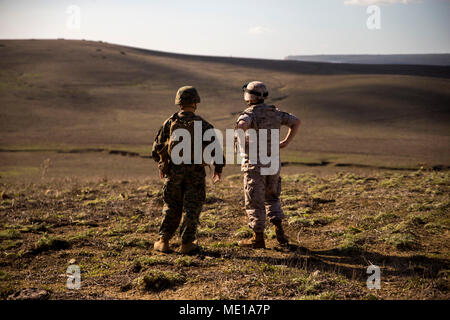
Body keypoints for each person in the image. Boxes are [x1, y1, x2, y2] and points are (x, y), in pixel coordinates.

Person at [152, 86, 224, 254]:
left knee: (171, 206)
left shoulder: (169, 122)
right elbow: (216, 150)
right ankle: (187, 243)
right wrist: (218, 169)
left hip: (173, 172)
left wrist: (162, 165)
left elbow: (157, 148)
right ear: (195, 103)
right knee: (192, 208)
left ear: (179, 103)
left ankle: (163, 241)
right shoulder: (204, 125)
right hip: (195, 174)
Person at [236, 81, 301, 249]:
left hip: (255, 164)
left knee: (254, 200)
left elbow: (242, 126)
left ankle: (257, 238)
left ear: (249, 96)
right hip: (272, 162)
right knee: (272, 197)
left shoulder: (248, 114)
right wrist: (285, 142)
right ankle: (280, 234)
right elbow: (296, 121)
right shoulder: (276, 113)